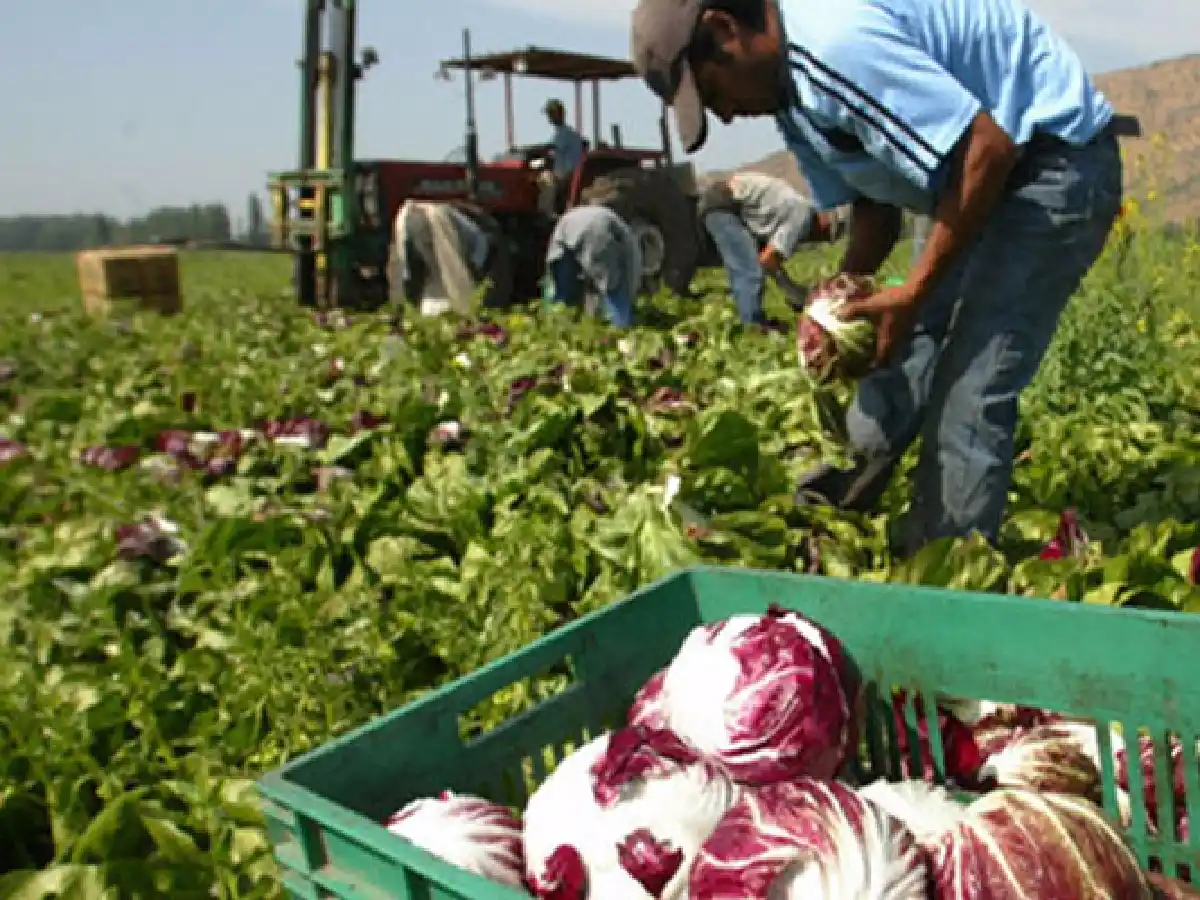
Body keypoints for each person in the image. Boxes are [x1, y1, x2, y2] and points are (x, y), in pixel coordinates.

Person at [629, 0, 1130, 552]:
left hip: (1051, 163)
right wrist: (838, 303)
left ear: (725, 29)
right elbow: (874, 208)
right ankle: (842, 500)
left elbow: (989, 149)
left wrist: (913, 293)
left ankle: (946, 563)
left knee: (973, 374)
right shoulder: (790, 98)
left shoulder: (835, 45)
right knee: (901, 343)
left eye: (713, 92)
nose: (724, 115)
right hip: (973, 174)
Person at [697, 171, 847, 324]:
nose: (817, 241)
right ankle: (752, 326)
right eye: (824, 237)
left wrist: (793, 292)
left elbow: (770, 260)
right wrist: (796, 294)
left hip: (726, 203)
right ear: (824, 224)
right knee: (749, 270)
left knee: (749, 267)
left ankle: (753, 321)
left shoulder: (794, 210)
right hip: (724, 204)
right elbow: (768, 260)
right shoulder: (802, 217)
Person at [544, 205, 641, 327]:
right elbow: (626, 280)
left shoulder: (624, 236)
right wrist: (625, 297)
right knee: (613, 290)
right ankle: (620, 328)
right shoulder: (630, 248)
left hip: (567, 225)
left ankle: (558, 326)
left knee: (563, 293)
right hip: (598, 228)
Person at [391, 200, 490, 316]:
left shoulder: (446, 216)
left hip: (457, 273)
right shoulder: (407, 225)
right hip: (436, 283)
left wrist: (475, 266)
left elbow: (480, 241)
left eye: (427, 234)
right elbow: (406, 264)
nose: (426, 240)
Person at [538, 99, 586, 217]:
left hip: (567, 173)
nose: (549, 118)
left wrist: (534, 151)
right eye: (549, 114)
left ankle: (546, 213)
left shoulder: (566, 133)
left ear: (560, 114)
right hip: (567, 171)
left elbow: (551, 148)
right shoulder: (563, 133)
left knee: (544, 181)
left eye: (551, 114)